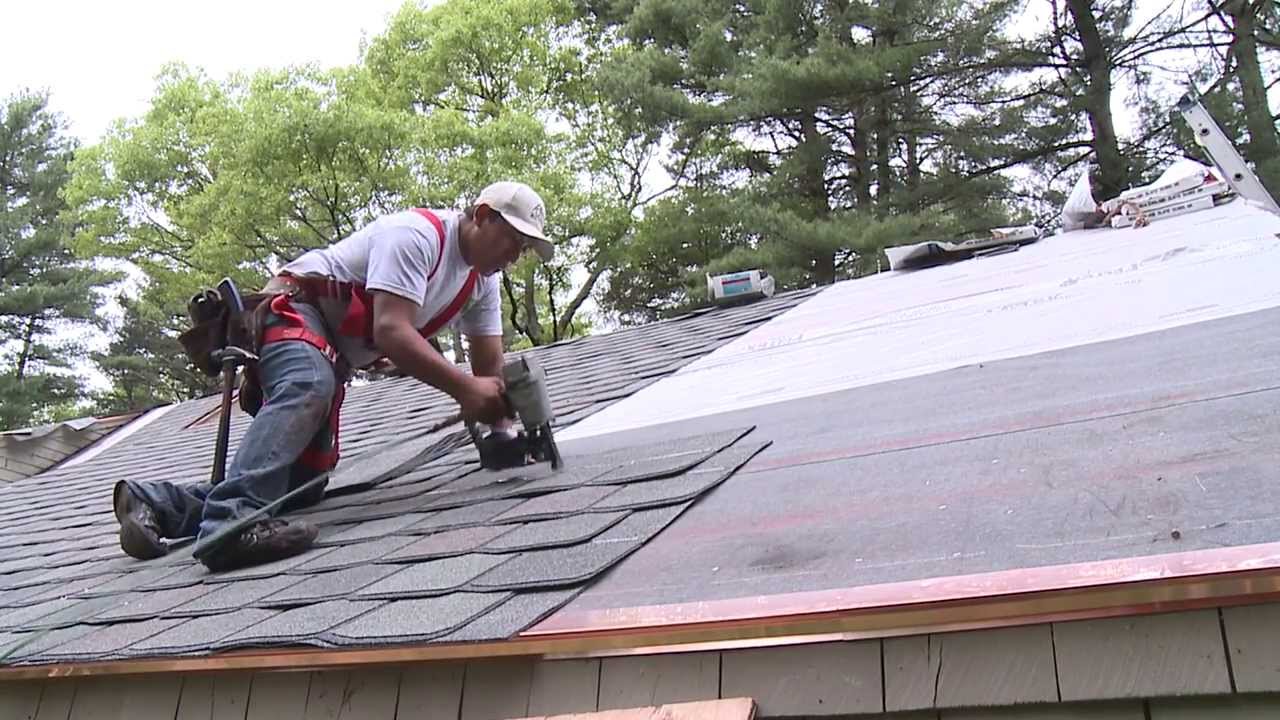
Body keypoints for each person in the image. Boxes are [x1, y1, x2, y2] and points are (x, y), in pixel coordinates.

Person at [113, 181, 554, 571]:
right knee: (309, 384)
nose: (515, 256)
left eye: (525, 249)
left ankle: (155, 504)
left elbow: (488, 366)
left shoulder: (481, 284)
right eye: (513, 240)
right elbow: (391, 329)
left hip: (327, 347)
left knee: (301, 486)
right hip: (292, 311)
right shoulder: (418, 236)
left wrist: (502, 430)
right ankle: (227, 527)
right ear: (481, 216)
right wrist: (465, 391)